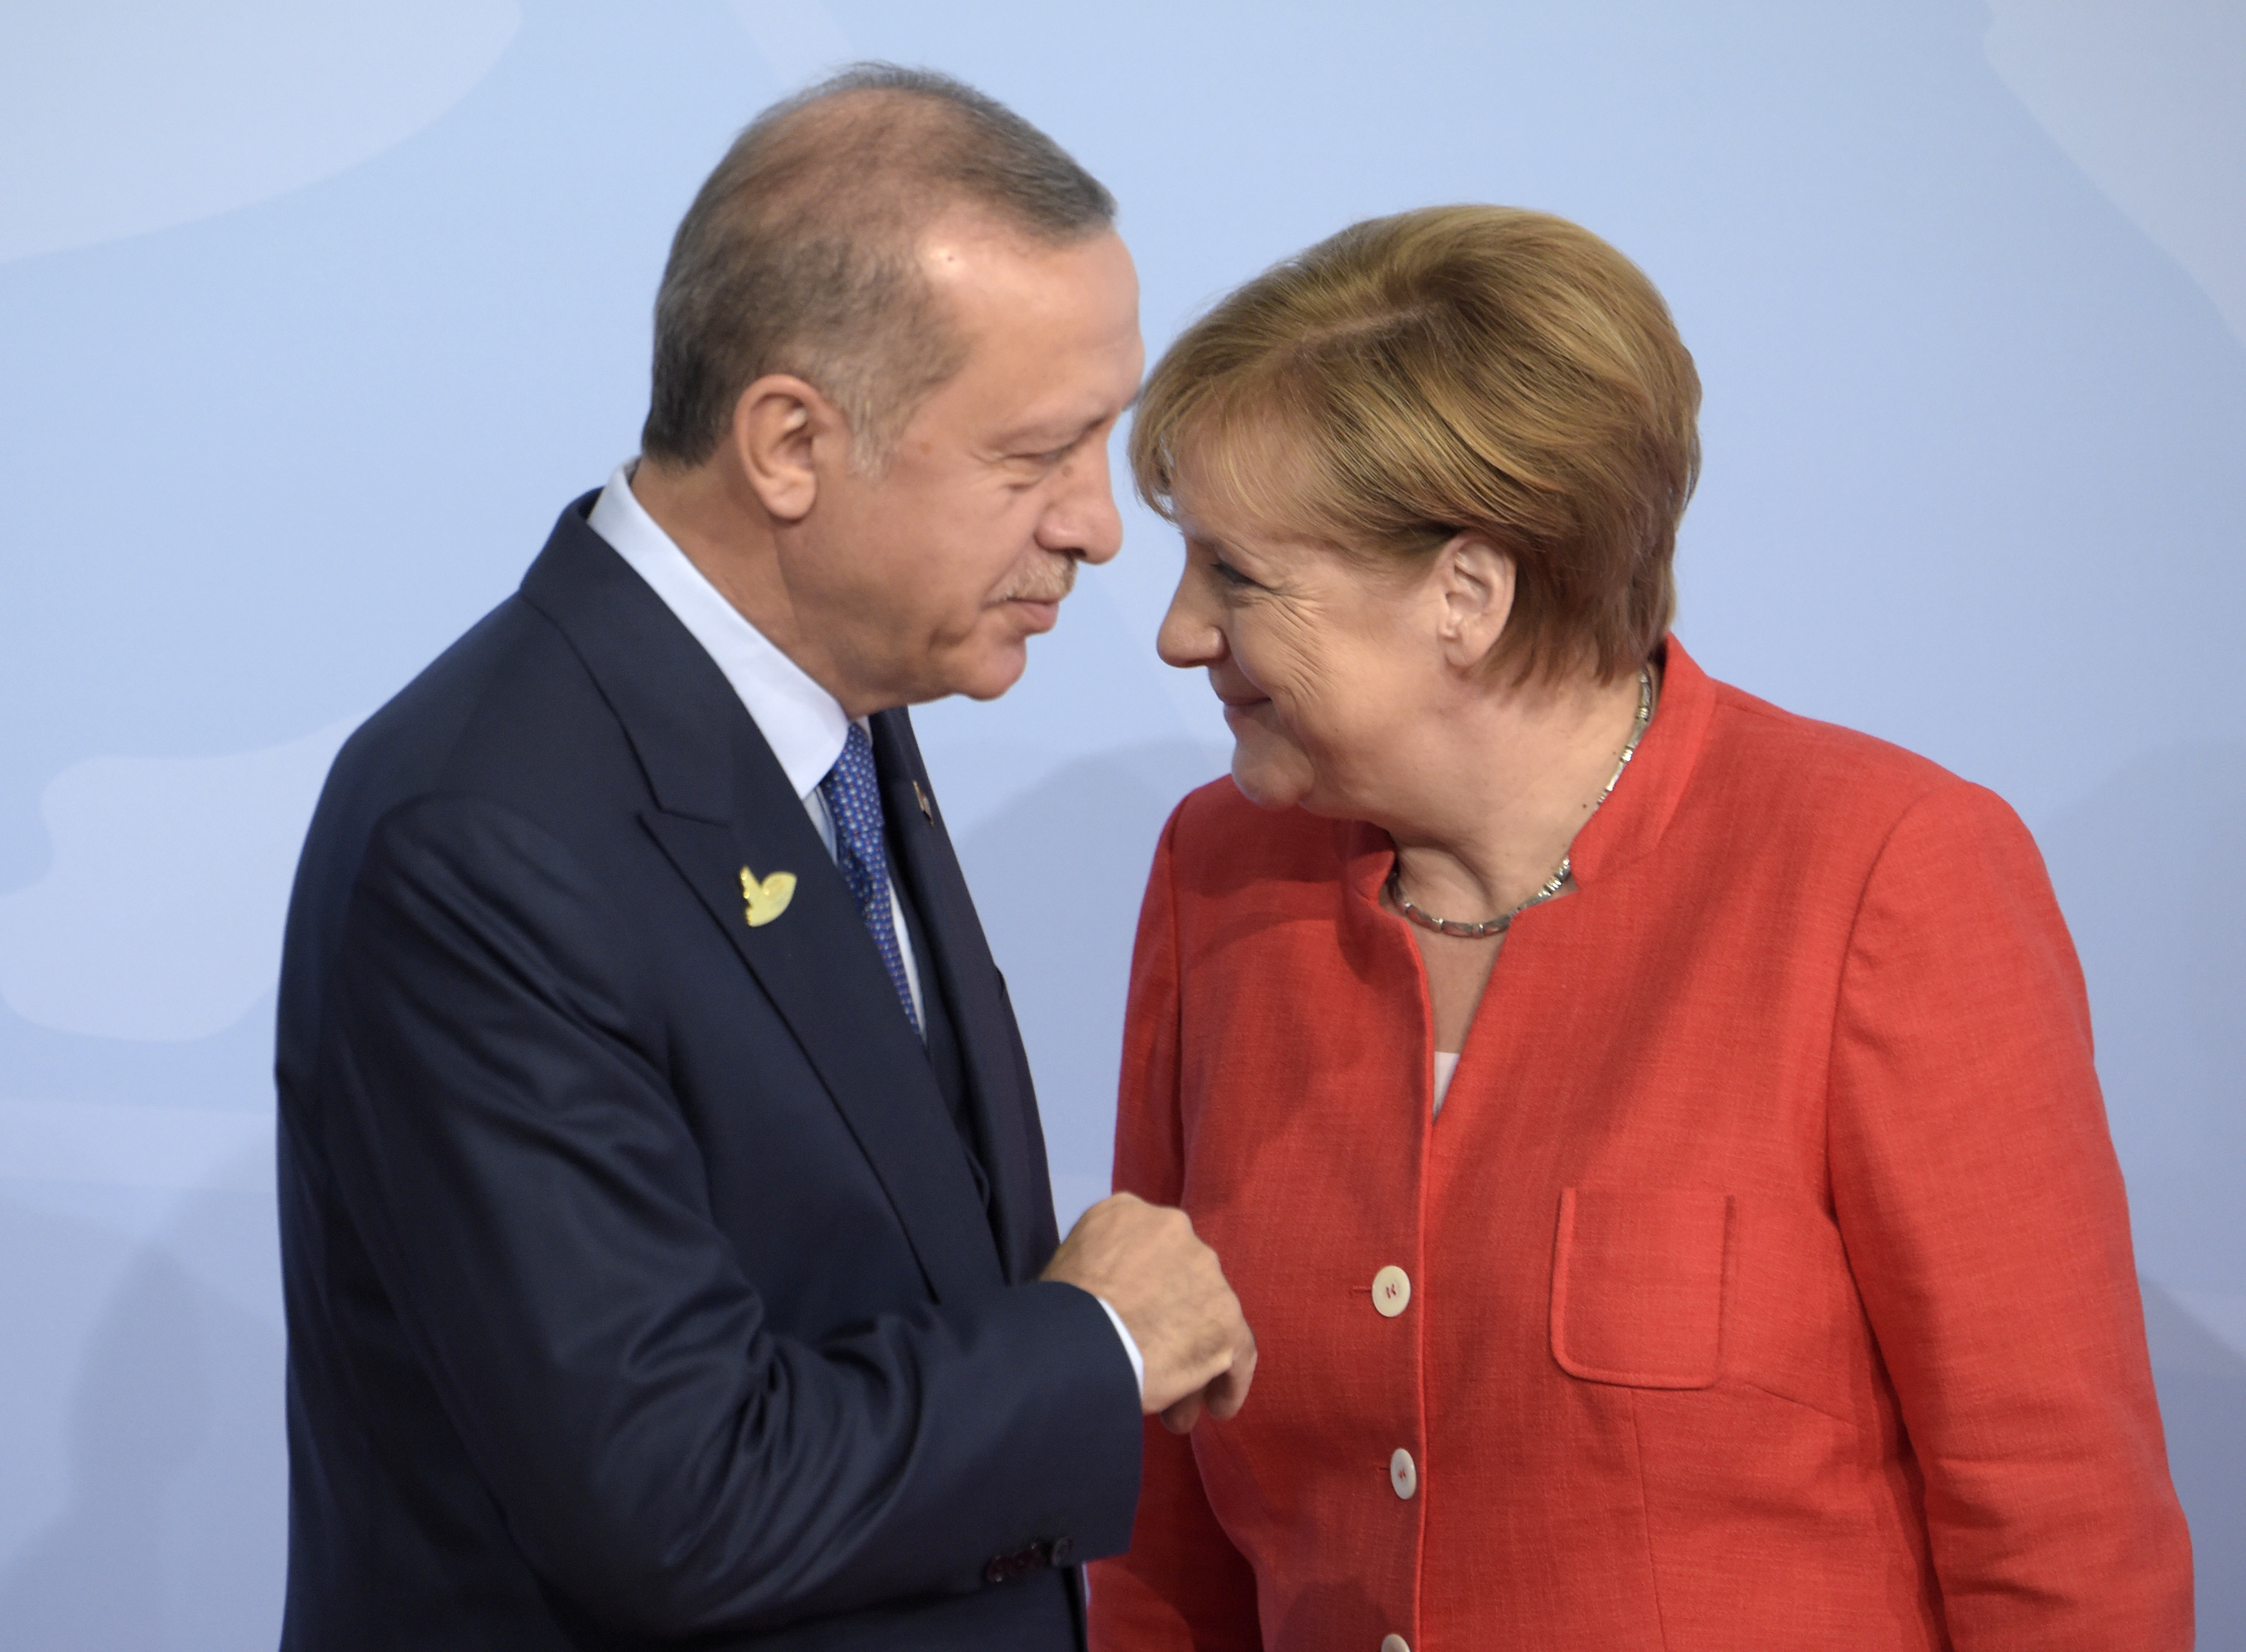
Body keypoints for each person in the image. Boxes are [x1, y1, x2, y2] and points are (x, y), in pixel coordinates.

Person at [1088, 205, 2192, 1650]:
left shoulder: (1884, 873)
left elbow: (2058, 1535)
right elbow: (1163, 1525)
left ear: (1466, 595)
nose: (1178, 632)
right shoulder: (1216, 873)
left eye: (1236, 575)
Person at [274, 66, 1255, 1652]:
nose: (1094, 525)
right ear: (790, 444)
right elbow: (672, 1493)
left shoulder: (839, 708)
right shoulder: (481, 837)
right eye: (1034, 457)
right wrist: (1093, 1346)